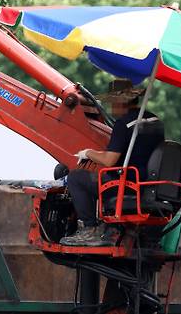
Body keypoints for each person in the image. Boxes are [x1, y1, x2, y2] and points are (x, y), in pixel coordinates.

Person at [59, 79, 164, 247]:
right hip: (150, 184)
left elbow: (109, 161)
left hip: (128, 185)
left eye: (112, 103)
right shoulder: (155, 121)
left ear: (121, 102)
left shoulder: (124, 125)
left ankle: (90, 229)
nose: (111, 108)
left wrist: (88, 153)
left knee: (76, 178)